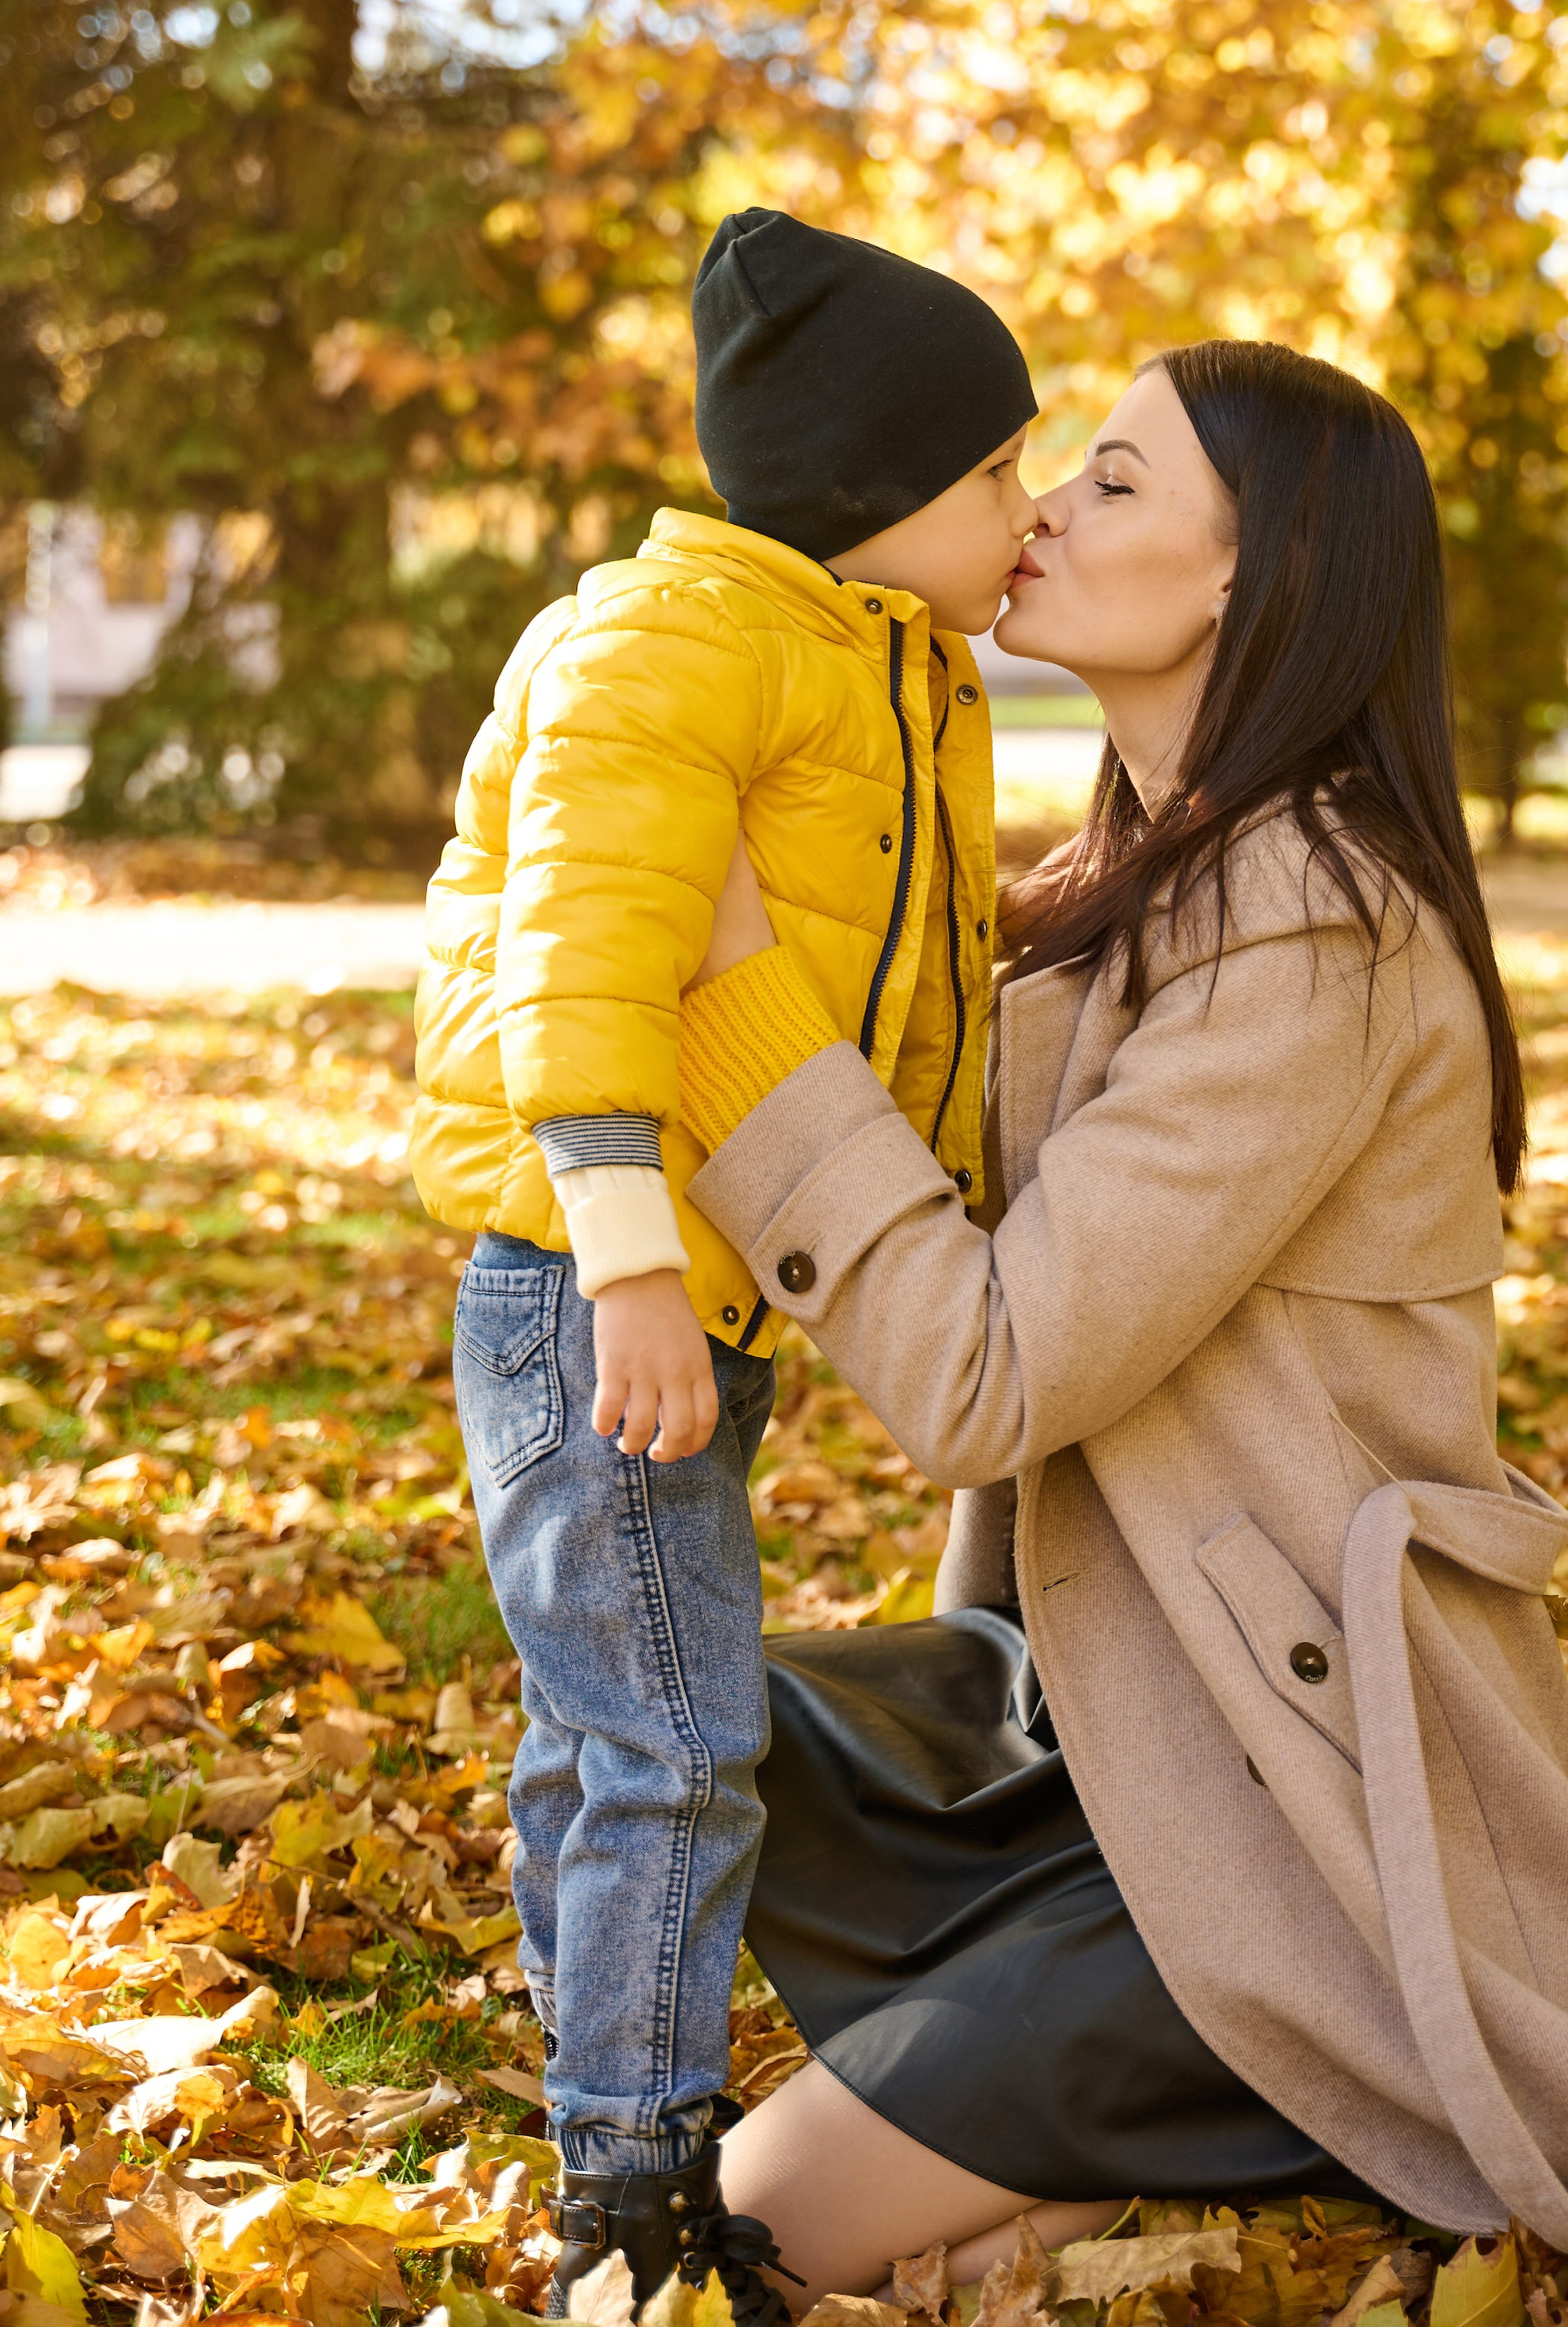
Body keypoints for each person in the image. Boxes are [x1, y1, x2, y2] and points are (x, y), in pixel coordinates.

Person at [669, 340, 1568, 2327]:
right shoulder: (1121, 885)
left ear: (1250, 570)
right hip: (1088, 1746)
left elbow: (984, 1374)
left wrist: (729, 989)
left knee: (729, 2229)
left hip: (1288, 1813)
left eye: (1112, 480)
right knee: (674, 1716)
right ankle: (1209, 2099)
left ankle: (1304, 2057)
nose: (1038, 507)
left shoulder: (1309, 926)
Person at [408, 208, 1038, 2320]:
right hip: (596, 1281)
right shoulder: (674, 648)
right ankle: (638, 2203)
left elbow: (916, 979)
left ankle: (606, 2117)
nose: (1025, 515)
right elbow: (580, 960)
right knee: (673, 1738)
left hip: (690, 1282)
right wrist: (625, 1265)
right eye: (996, 478)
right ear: (875, 497)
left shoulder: (887, 667)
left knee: (611, 1728)